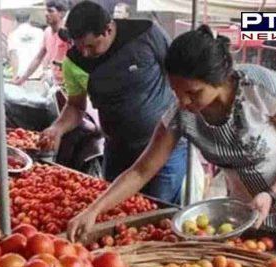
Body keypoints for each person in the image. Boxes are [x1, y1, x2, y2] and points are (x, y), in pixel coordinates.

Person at [67, 25, 276, 241]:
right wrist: (94, 210)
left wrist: (273, 194)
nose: (184, 101)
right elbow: (141, 171)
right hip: (244, 210)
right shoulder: (182, 115)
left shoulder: (260, 87)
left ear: (219, 78)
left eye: (193, 92)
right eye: (176, 92)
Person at [41, 1, 187, 204]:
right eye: (79, 46)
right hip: (118, 152)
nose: (85, 53)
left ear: (108, 29)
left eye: (91, 46)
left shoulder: (146, 34)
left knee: (157, 212)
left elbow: (179, 74)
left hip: (164, 151)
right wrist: (57, 128)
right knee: (115, 213)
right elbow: (75, 107)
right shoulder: (73, 61)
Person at [12, 0, 70, 86]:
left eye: (50, 11)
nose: (46, 14)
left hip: (71, 83)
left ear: (61, 14)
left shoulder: (68, 33)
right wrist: (22, 79)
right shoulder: (47, 32)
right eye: (46, 10)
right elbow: (38, 58)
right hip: (56, 83)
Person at [8, 11, 44, 79]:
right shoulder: (40, 32)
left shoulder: (13, 35)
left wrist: (14, 76)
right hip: (39, 74)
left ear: (16, 20)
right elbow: (45, 52)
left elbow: (14, 56)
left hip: (22, 76)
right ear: (29, 19)